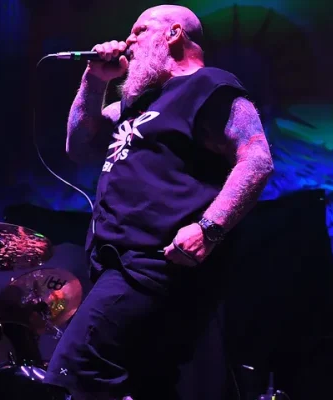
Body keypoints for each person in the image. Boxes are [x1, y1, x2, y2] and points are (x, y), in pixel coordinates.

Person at [44, 4, 274, 400]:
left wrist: (209, 228)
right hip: (116, 263)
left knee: (76, 370)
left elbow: (256, 159)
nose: (128, 40)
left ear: (173, 34)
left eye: (139, 30)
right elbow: (78, 146)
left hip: (155, 263)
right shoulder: (135, 104)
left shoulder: (209, 85)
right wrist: (94, 80)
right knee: (148, 384)